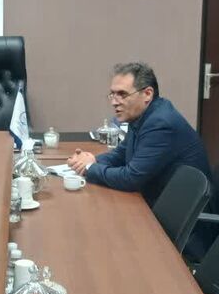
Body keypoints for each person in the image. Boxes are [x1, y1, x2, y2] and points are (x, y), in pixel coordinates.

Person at [67, 62, 211, 206]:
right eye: (113, 94)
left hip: (181, 213)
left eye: (122, 94)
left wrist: (89, 168)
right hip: (159, 199)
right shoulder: (142, 115)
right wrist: (92, 160)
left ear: (147, 94)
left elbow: (131, 178)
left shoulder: (160, 123)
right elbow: (121, 154)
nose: (114, 102)